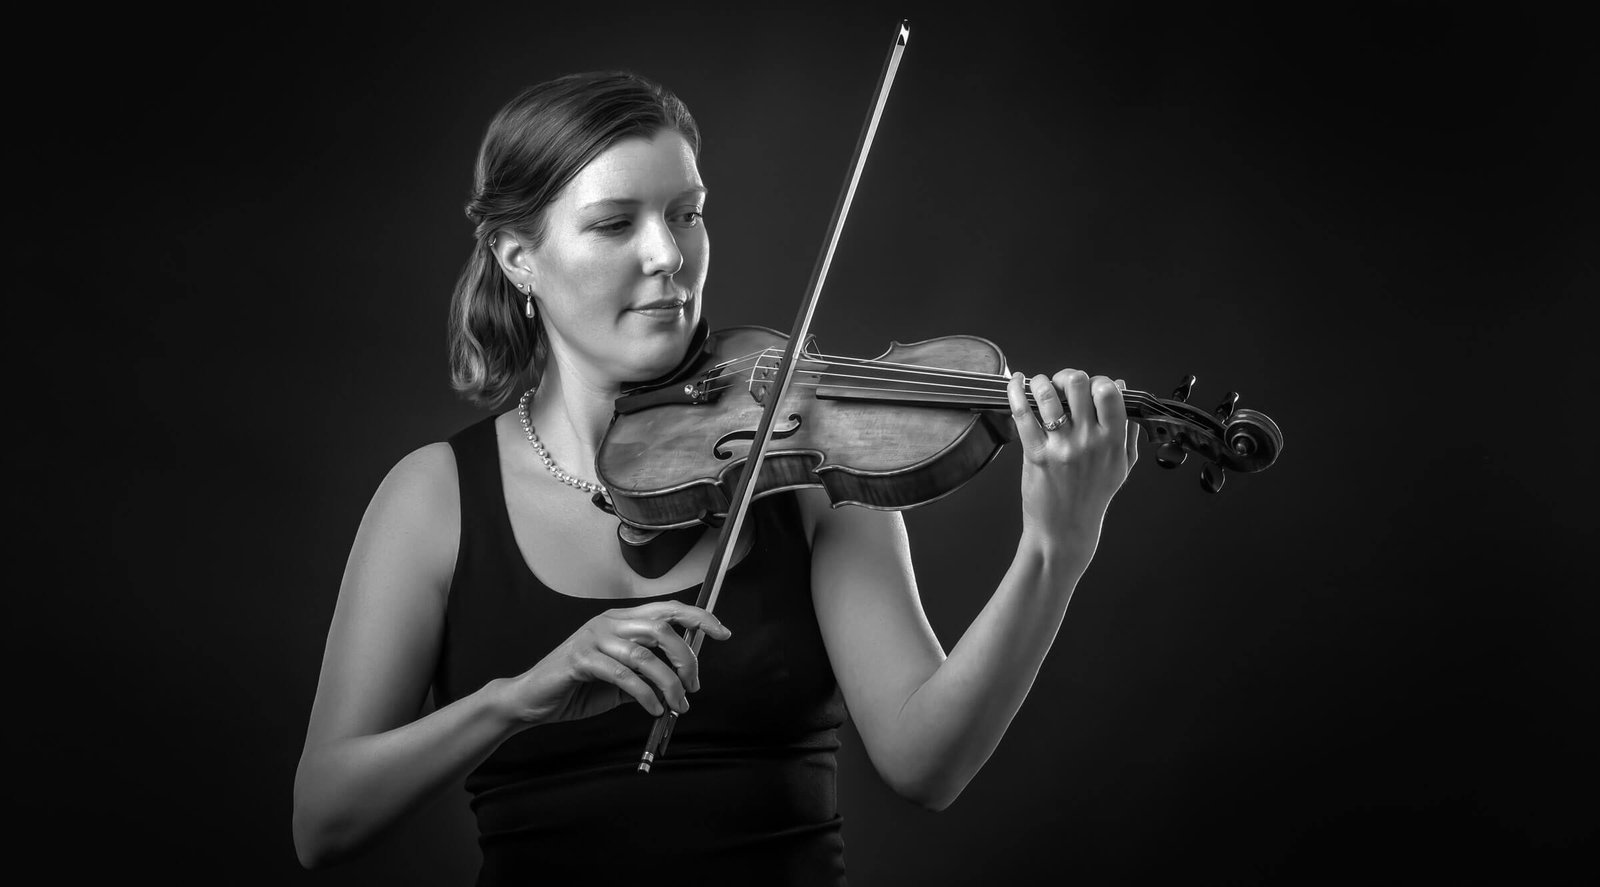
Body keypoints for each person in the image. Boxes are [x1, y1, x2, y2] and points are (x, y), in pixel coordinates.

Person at [292, 71, 1138, 885]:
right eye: (615, 223)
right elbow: (321, 822)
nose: (669, 255)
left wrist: (1054, 551)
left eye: (687, 214)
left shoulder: (803, 461)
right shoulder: (434, 498)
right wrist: (517, 698)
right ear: (519, 256)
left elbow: (927, 762)